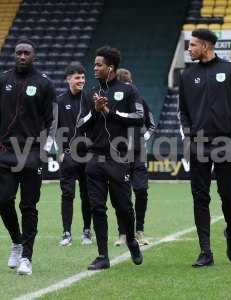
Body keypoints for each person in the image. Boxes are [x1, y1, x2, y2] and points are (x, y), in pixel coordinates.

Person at [178, 29, 231, 267]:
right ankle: (205, 251)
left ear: (206, 46)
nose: (189, 49)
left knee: (229, 197)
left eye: (193, 45)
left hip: (225, 142)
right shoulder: (186, 76)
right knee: (200, 198)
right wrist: (188, 138)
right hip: (198, 145)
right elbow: (182, 112)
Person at [0, 39, 56, 275]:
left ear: (34, 56)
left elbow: (52, 121)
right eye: (19, 53)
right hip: (5, 153)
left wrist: (45, 149)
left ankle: (26, 257)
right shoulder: (1, 82)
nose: (22, 56)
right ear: (14, 55)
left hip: (32, 153)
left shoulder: (44, 84)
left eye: (27, 53)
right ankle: (16, 241)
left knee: (29, 206)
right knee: (2, 200)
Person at [77, 46, 144, 270]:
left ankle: (132, 240)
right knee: (97, 207)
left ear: (111, 67)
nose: (94, 68)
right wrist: (96, 110)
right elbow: (80, 125)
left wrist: (110, 113)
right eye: (94, 64)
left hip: (119, 158)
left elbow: (138, 118)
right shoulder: (90, 93)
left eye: (98, 65)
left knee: (123, 207)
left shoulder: (128, 90)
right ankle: (102, 256)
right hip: (95, 158)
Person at [113, 68, 156, 247]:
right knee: (121, 194)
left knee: (141, 190)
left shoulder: (140, 101)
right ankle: (122, 233)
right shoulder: (113, 103)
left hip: (138, 154)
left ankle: (139, 231)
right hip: (119, 153)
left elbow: (151, 124)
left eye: (129, 84)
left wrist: (142, 139)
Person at [56, 62, 93, 246]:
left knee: (88, 195)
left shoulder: (90, 99)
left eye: (83, 78)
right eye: (77, 78)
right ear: (68, 79)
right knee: (67, 195)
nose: (81, 81)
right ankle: (66, 233)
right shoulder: (60, 101)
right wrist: (60, 152)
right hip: (69, 157)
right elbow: (55, 128)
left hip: (88, 156)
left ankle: (87, 231)